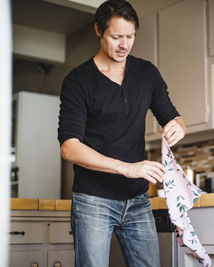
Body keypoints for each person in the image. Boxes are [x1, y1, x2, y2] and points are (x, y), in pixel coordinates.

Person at [57, 0, 186, 266]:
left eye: (130, 37)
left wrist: (178, 127)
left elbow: (174, 117)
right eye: (116, 37)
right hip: (93, 200)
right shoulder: (78, 81)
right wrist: (126, 167)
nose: (124, 45)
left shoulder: (146, 73)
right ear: (98, 31)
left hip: (138, 200)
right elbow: (69, 146)